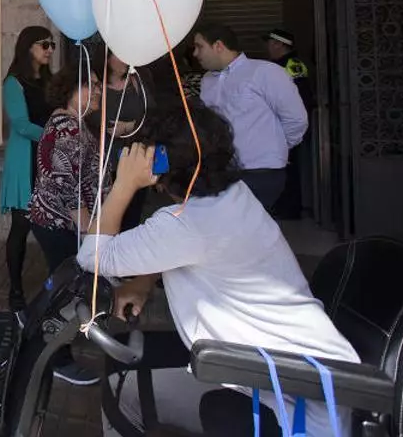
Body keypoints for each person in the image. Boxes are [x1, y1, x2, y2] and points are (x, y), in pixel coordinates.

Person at [76, 102, 358, 436]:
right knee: (127, 358)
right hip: (307, 375)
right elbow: (191, 247)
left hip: (290, 403)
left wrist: (124, 184)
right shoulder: (234, 196)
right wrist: (143, 281)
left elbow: (92, 256)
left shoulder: (185, 224)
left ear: (159, 164)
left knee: (121, 390)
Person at [29, 68, 104, 386]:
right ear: (73, 88)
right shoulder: (68, 128)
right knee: (67, 293)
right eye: (92, 85)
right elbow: (67, 187)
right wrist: (89, 231)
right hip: (61, 223)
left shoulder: (71, 122)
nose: (99, 90)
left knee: (61, 286)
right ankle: (56, 358)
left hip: (59, 222)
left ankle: (32, 323)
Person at [193, 25, 308, 210]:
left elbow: (296, 119)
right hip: (221, 170)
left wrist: (275, 147)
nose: (195, 53)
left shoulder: (265, 72)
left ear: (218, 46)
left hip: (259, 172)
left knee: (246, 223)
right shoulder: (208, 79)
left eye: (199, 47)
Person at [0, 26, 56, 311]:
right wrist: (55, 135)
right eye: (44, 44)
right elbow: (21, 125)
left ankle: (57, 282)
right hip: (27, 160)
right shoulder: (14, 82)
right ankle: (15, 288)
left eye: (52, 45)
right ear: (28, 47)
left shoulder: (49, 81)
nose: (50, 50)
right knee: (21, 226)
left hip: (48, 158)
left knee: (53, 224)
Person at [87, 49, 154, 232]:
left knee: (132, 218)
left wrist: (130, 126)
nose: (126, 58)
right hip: (104, 163)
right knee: (106, 216)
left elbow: (152, 115)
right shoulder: (95, 84)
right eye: (120, 53)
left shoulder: (137, 80)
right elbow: (87, 112)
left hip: (134, 159)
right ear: (107, 58)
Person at [264, 28, 315, 220]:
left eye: (270, 43)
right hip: (278, 127)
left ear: (279, 44)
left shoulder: (293, 65)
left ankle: (290, 209)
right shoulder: (276, 65)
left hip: (289, 127)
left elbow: (301, 98)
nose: (268, 47)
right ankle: (282, 206)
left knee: (290, 169)